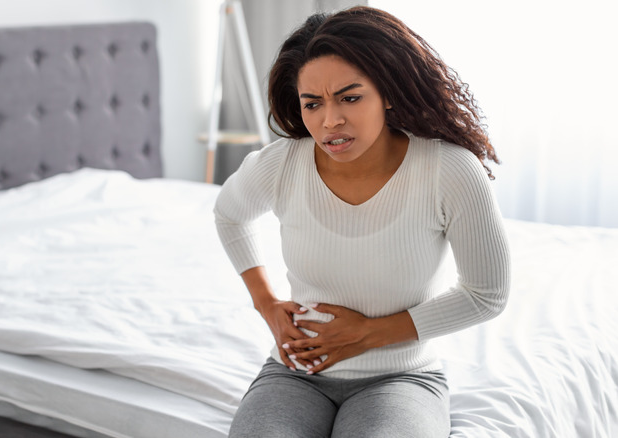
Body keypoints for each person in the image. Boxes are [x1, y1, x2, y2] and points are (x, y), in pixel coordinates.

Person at [214, 5, 511, 438]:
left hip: (402, 378)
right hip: (295, 372)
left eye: (349, 98)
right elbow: (229, 215)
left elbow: (488, 294)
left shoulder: (449, 170)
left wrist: (368, 334)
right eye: (312, 104)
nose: (329, 121)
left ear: (388, 92)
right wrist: (267, 306)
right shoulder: (280, 164)